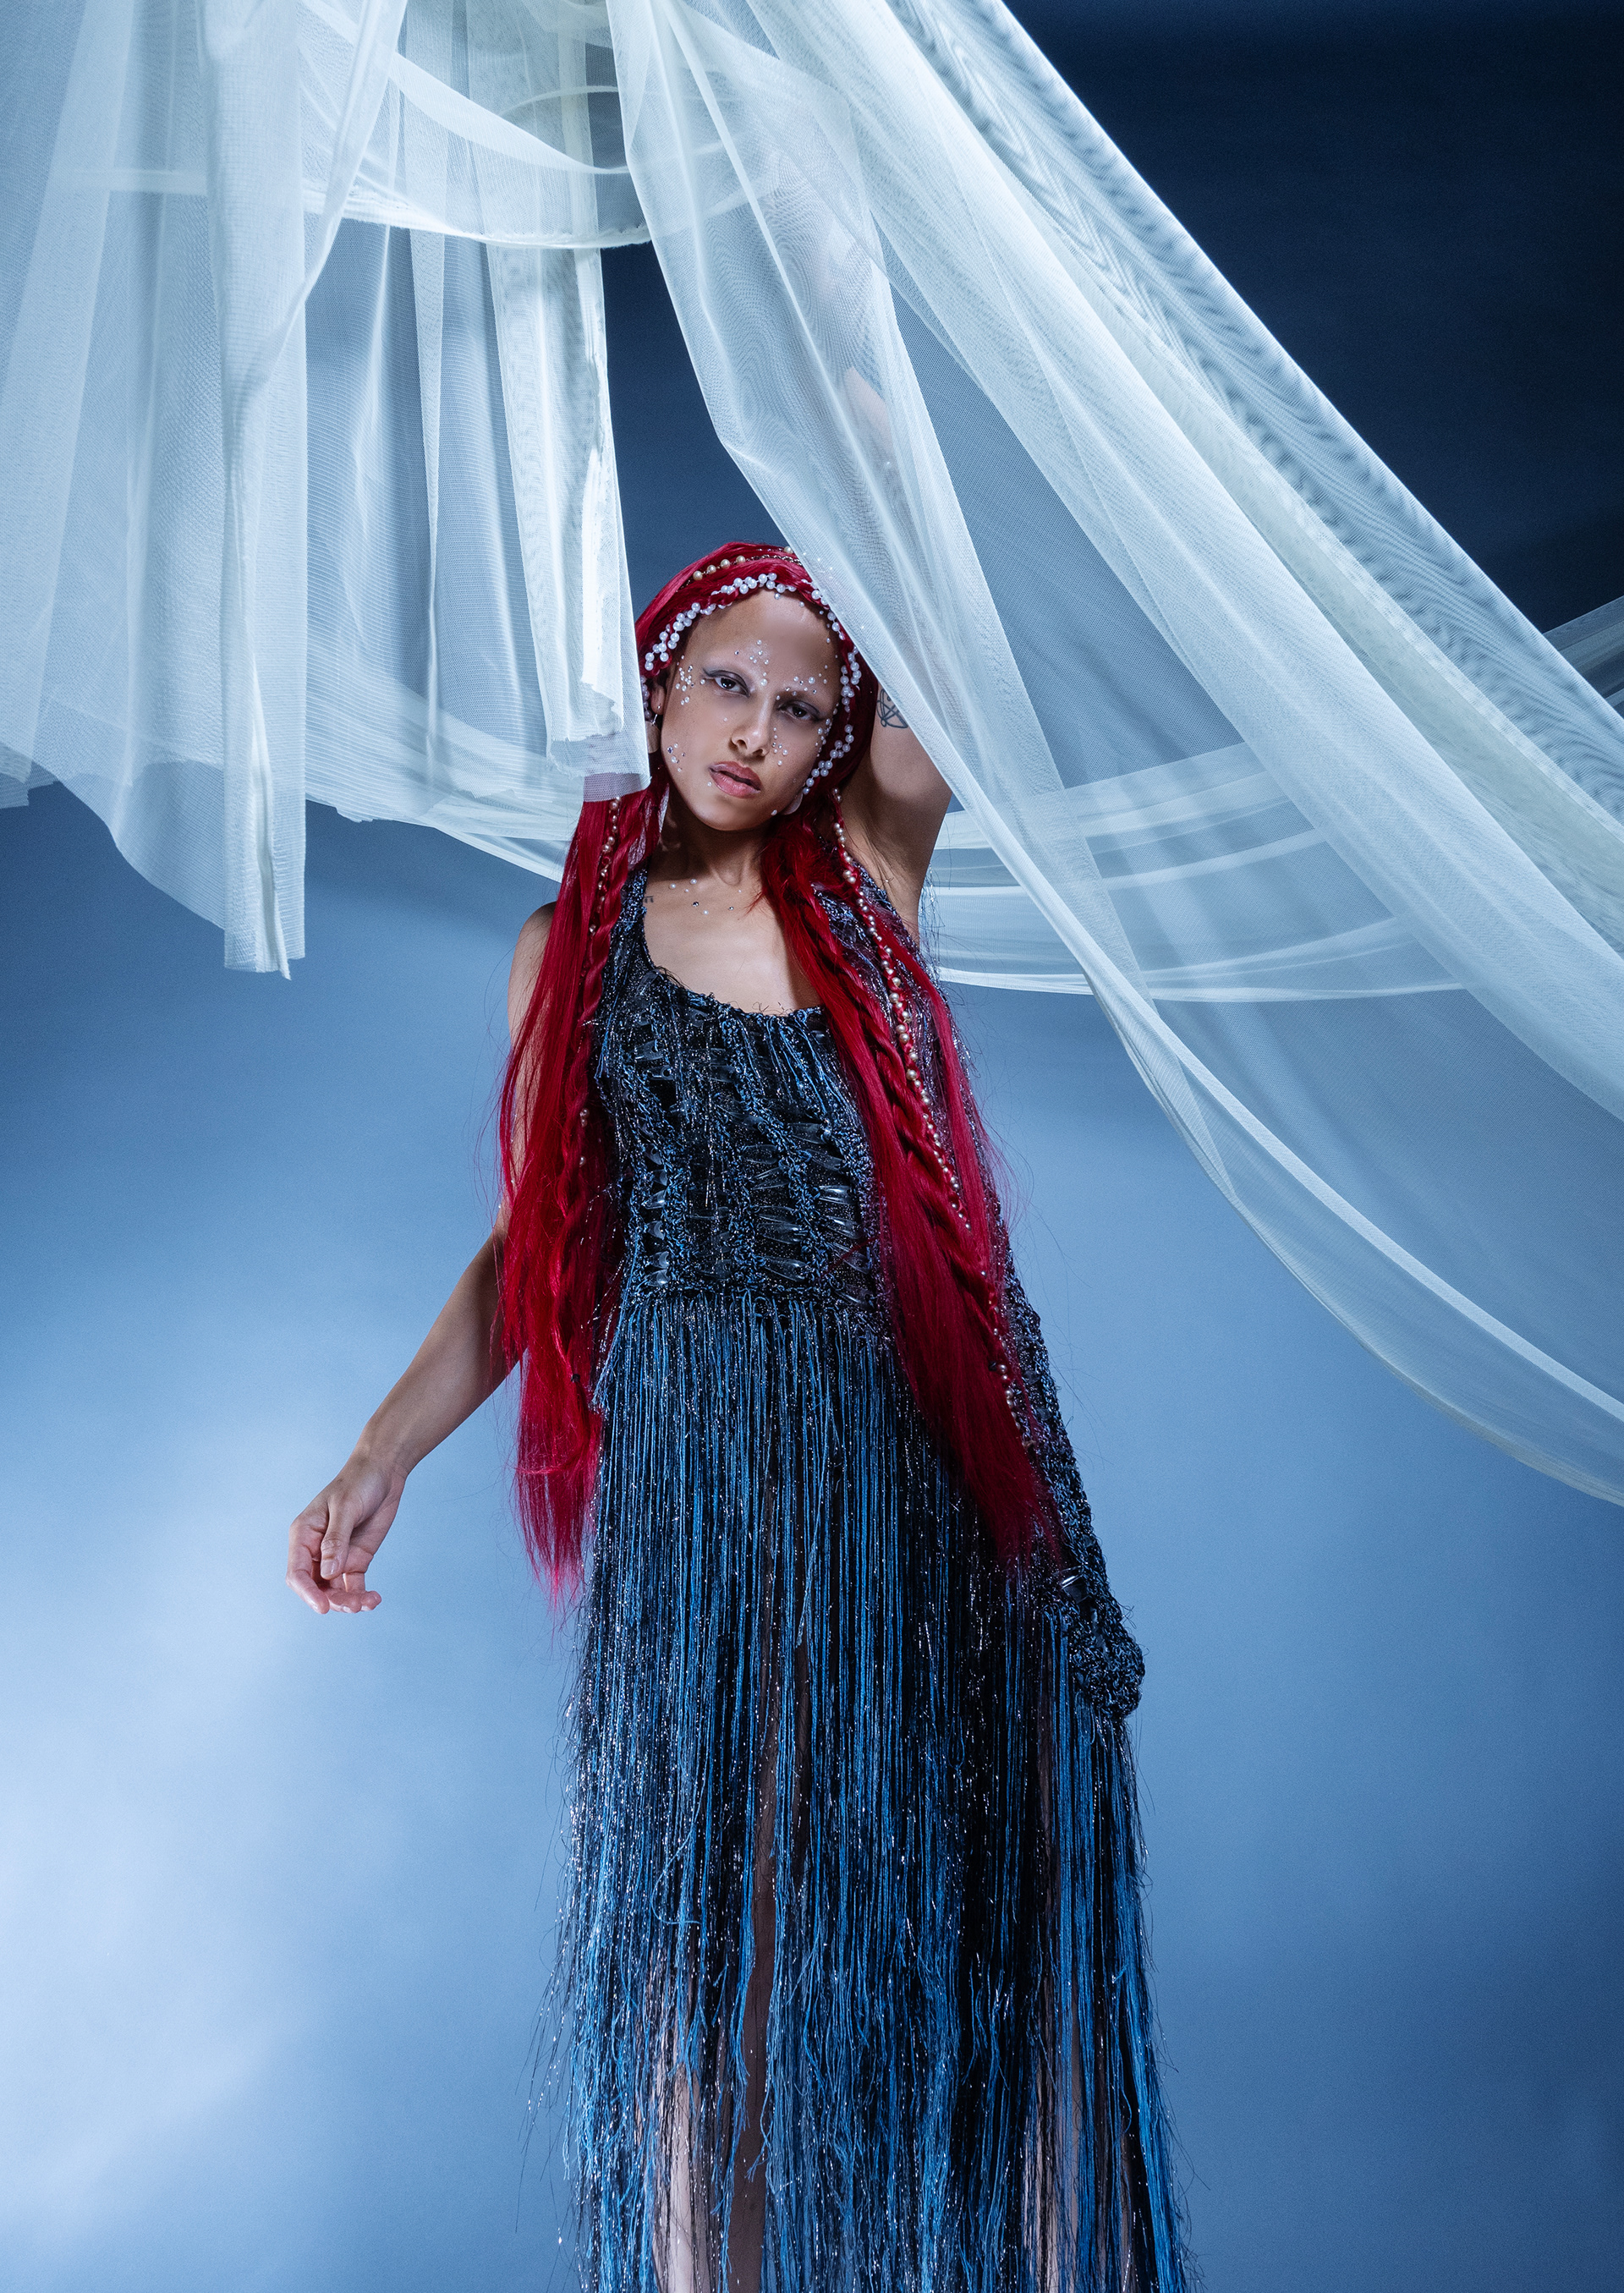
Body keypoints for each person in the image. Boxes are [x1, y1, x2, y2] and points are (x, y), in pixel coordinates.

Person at [287, 541, 1188, 2293]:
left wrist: (853, 385)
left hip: (920, 1453)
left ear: (836, 735)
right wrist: (378, 1456)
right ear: (655, 687)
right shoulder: (569, 950)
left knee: (983, 1907)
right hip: (705, 1468)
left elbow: (938, 606)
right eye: (724, 684)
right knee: (715, 1922)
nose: (753, 732)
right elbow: (535, 1243)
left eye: (797, 706)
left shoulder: (867, 870)